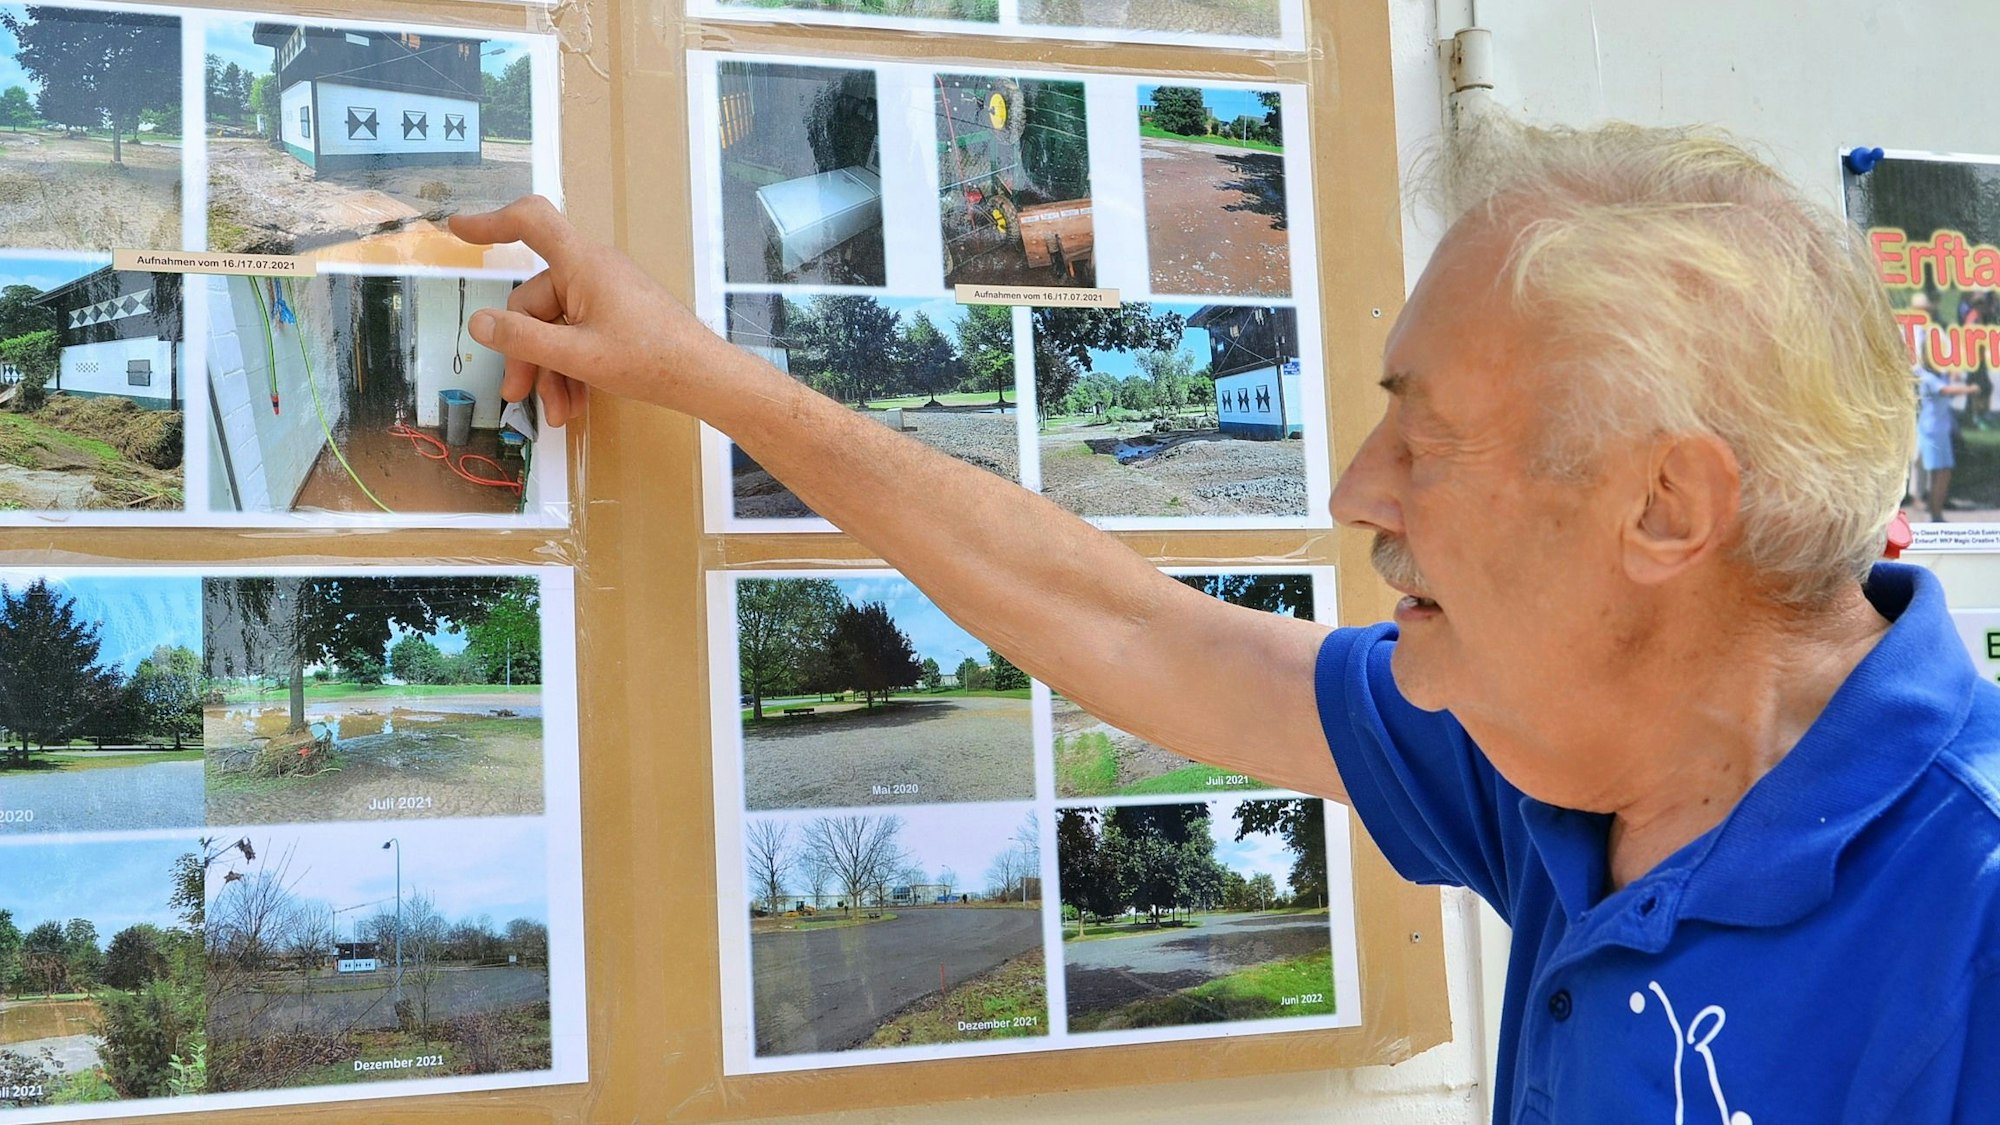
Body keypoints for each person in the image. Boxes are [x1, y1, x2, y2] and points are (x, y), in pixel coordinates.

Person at [448, 120, 1999, 1122]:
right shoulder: (1564, 755)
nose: (1352, 488)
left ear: (1666, 507)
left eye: (1425, 435)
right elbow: (1131, 629)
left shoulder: (1969, 922)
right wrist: (706, 377)